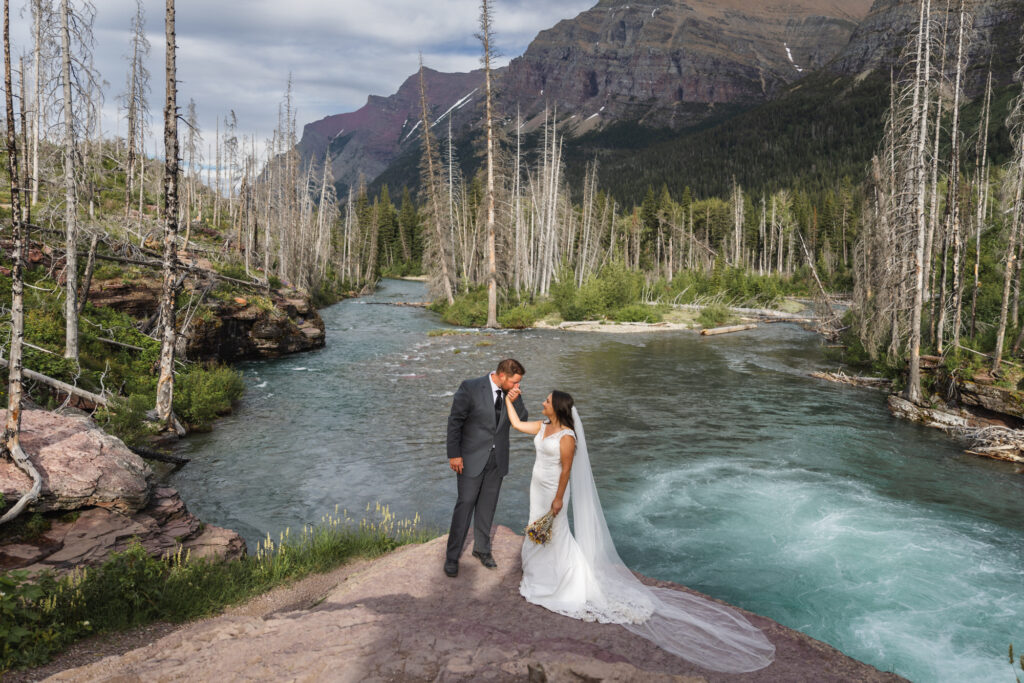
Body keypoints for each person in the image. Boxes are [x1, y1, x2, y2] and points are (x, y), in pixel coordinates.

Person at [504, 387, 775, 673]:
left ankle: (559, 580)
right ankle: (539, 572)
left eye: (546, 400)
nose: (542, 402)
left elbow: (566, 471)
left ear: (557, 408)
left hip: (553, 491)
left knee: (555, 533)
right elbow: (517, 424)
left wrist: (559, 499)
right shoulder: (543, 426)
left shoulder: (567, 437)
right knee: (536, 526)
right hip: (537, 489)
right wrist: (509, 401)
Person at [444, 359, 528, 578]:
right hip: (470, 458)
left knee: (487, 506)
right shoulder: (470, 387)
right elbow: (455, 422)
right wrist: (454, 454)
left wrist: (516, 401)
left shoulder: (512, 392)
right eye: (515, 382)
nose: (517, 386)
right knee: (465, 505)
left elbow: (522, 421)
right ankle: (452, 557)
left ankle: (482, 550)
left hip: (497, 459)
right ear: (502, 376)